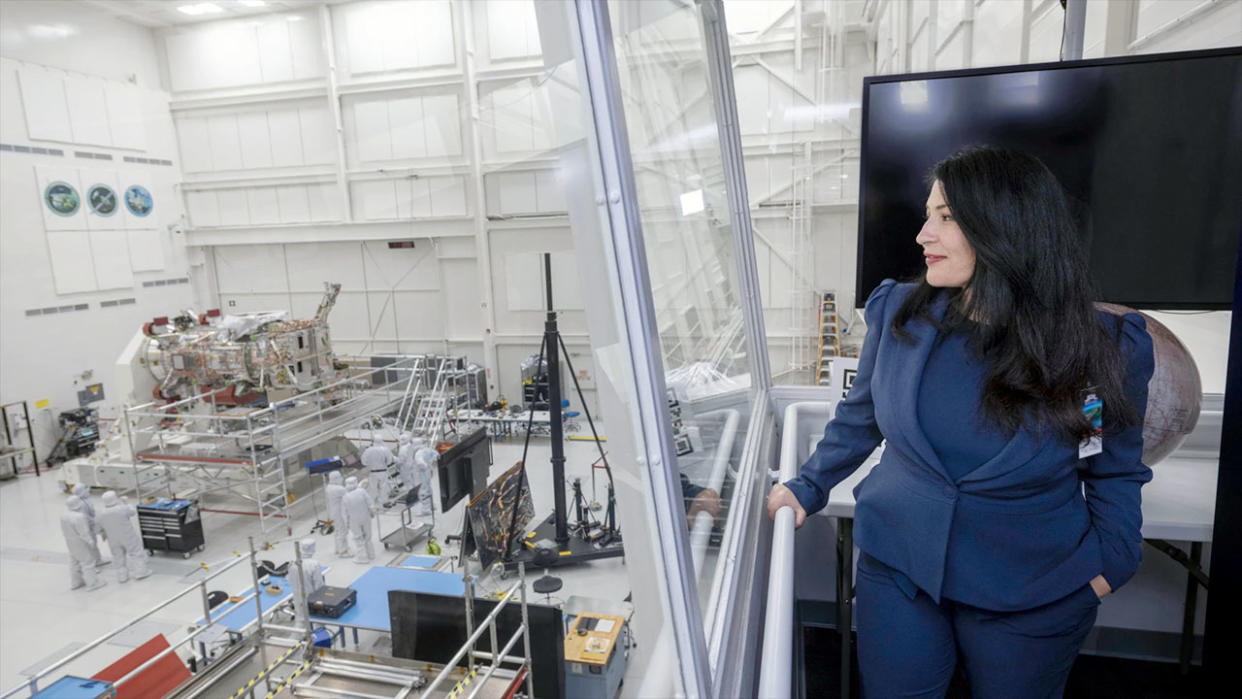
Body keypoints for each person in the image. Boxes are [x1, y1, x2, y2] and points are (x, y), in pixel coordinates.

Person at [766, 146, 1154, 698]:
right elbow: (860, 417)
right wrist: (806, 486)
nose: (924, 235)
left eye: (946, 217)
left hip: (1036, 587)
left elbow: (1110, 464)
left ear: (1007, 226)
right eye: (929, 216)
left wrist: (1112, 564)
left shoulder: (1101, 347)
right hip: (900, 570)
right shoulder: (898, 311)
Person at [96, 491, 151, 583]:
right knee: (136, 553)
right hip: (128, 536)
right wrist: (126, 502)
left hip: (113, 539)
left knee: (118, 557)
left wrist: (103, 533)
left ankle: (122, 577)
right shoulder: (121, 508)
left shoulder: (101, 513)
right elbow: (132, 512)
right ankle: (140, 572)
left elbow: (97, 528)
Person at [61, 496, 106, 590]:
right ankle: (92, 583)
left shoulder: (63, 515)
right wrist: (90, 541)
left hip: (69, 542)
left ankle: (76, 582)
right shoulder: (79, 517)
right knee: (87, 562)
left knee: (74, 562)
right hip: (80, 543)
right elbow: (84, 532)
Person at [289, 538, 325, 623]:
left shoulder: (293, 564)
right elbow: (319, 585)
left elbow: (290, 580)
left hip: (298, 598)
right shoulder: (314, 564)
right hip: (312, 598)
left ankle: (298, 635)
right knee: (318, 623)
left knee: (300, 621)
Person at [341, 476, 376, 563]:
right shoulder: (362, 491)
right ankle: (371, 554)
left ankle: (362, 558)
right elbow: (370, 502)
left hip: (354, 521)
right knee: (368, 536)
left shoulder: (345, 497)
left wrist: (347, 523)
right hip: (366, 517)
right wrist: (372, 512)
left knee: (358, 538)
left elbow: (344, 513)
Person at [71, 483, 105, 567]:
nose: (87, 490)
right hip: (87, 529)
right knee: (90, 547)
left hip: (90, 527)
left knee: (93, 546)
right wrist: (96, 524)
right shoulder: (81, 504)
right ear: (81, 492)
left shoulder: (85, 500)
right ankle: (93, 564)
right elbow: (85, 518)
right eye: (85, 488)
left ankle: (98, 561)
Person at [360, 432, 395, 506]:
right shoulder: (385, 449)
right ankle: (384, 502)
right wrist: (385, 464)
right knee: (384, 488)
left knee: (372, 489)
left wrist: (370, 464)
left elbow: (363, 462)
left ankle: (371, 504)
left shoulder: (368, 450)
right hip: (383, 471)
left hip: (373, 472)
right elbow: (389, 461)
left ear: (373, 441)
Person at [324, 471, 350, 557]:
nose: (341, 478)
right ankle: (343, 551)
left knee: (337, 530)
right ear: (335, 479)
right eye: (340, 477)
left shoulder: (329, 487)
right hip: (339, 512)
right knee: (342, 530)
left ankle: (337, 548)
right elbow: (349, 493)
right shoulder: (339, 489)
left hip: (333, 511)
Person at [411, 438, 438, 516]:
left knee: (422, 491)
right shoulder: (427, 449)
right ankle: (432, 505)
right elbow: (436, 454)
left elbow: (420, 463)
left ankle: (426, 509)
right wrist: (430, 465)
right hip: (427, 473)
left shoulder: (418, 453)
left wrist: (424, 467)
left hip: (421, 474)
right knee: (429, 489)